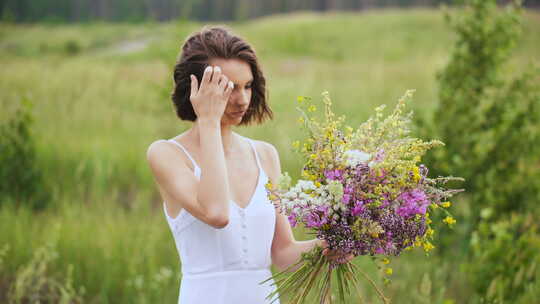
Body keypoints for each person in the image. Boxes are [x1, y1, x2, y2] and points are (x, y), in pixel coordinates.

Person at [146, 26, 352, 304]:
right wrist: (207, 121)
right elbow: (216, 213)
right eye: (228, 88)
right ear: (196, 89)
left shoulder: (264, 155)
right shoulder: (167, 154)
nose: (242, 99)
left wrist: (335, 242)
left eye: (247, 86)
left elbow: (282, 255)